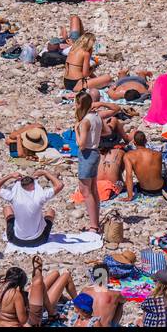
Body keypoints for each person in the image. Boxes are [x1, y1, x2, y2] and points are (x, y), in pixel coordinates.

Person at [0, 170, 63, 248]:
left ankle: (13, 229)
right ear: (34, 185)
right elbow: (60, 185)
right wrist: (45, 173)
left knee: (7, 208)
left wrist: (10, 176)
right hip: (39, 240)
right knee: (50, 211)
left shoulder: (13, 196)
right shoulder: (41, 196)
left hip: (16, 240)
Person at [75, 92, 103, 234]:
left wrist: (76, 130)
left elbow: (81, 144)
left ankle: (94, 226)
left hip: (87, 155)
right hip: (95, 153)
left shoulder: (85, 121)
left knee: (86, 191)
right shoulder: (96, 116)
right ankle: (95, 223)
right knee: (93, 190)